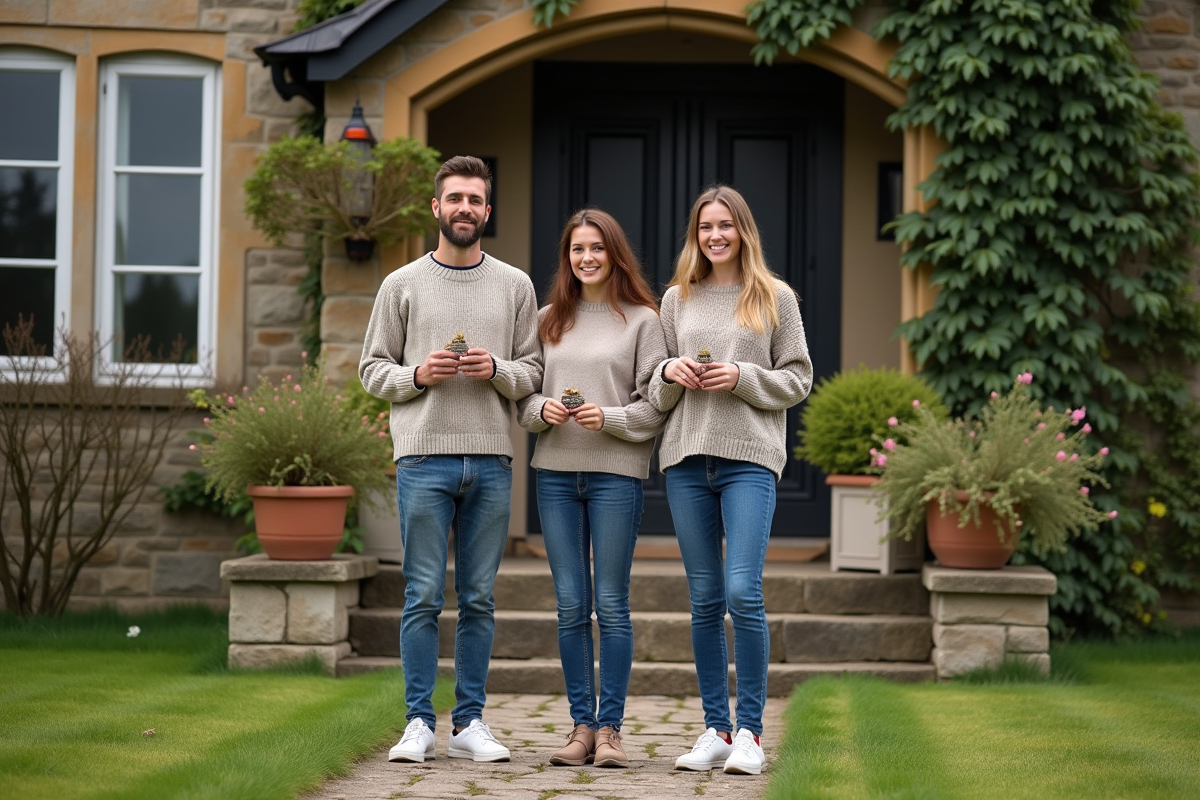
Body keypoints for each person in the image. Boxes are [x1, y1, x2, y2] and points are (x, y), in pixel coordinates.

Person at [359, 155, 542, 765]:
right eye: (454, 198)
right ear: (436, 208)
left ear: (487, 212)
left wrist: (498, 370)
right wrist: (417, 374)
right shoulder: (401, 284)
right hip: (422, 461)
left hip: (492, 461)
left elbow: (534, 371)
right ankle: (417, 722)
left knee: (480, 598)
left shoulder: (516, 285)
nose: (465, 208)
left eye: (475, 200)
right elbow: (371, 370)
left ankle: (469, 721)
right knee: (420, 596)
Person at [648, 185, 812, 775]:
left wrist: (740, 375)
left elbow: (797, 380)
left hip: (749, 459)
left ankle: (751, 733)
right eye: (705, 228)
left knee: (743, 591)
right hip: (687, 460)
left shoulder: (774, 297)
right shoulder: (676, 300)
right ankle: (715, 728)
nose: (715, 236)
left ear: (744, 230)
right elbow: (652, 387)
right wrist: (672, 370)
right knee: (703, 599)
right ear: (695, 235)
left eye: (726, 226)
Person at [517, 208, 667, 769]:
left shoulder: (643, 322)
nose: (587, 258)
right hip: (555, 473)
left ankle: (611, 732)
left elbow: (655, 406)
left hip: (615, 476)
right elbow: (524, 397)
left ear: (614, 254)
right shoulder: (548, 318)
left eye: (597, 249)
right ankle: (580, 727)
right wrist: (541, 410)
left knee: (612, 604)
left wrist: (610, 418)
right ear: (567, 257)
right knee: (570, 606)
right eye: (577, 249)